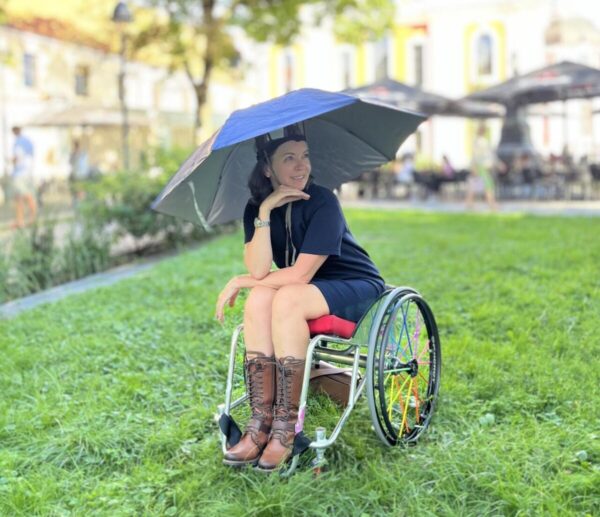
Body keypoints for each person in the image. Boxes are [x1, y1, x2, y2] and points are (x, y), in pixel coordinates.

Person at [215, 128, 385, 471]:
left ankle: (286, 430)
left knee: (287, 297)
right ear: (267, 168)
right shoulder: (256, 209)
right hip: (305, 287)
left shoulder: (323, 201)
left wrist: (239, 280)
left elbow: (299, 275)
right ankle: (261, 422)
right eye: (288, 158)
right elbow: (261, 270)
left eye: (304, 156)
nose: (300, 166)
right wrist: (265, 210)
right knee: (259, 298)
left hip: (352, 284)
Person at [465, 123, 498, 210]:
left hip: (482, 166)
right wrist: (474, 166)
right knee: (487, 185)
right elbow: (476, 155)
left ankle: (469, 203)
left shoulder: (481, 141)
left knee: (476, 185)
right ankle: (492, 204)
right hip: (481, 167)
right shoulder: (479, 141)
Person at [10, 126, 37, 228]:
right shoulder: (28, 141)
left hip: (20, 173)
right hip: (28, 173)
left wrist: (11, 161)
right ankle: (23, 220)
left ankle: (27, 220)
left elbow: (17, 156)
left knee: (23, 196)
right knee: (21, 197)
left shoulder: (18, 142)